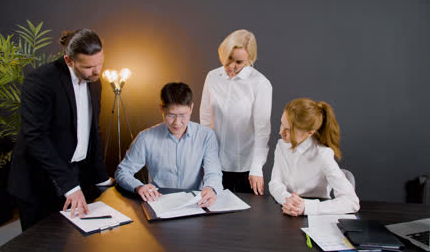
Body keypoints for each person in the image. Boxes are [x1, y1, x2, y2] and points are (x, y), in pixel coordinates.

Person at [8, 29, 113, 231]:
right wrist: (70, 186)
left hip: (73, 174)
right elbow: (36, 137)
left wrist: (101, 177)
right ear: (69, 60)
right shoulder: (40, 81)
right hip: (38, 181)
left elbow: (93, 131)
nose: (97, 72)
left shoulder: (95, 82)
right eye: (89, 67)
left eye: (100, 63)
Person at [115, 82, 223, 207]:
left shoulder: (206, 135)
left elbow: (213, 172)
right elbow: (122, 171)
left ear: (191, 108)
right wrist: (138, 186)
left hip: (194, 204)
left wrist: (211, 188)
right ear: (161, 108)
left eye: (183, 115)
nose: (177, 123)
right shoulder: (145, 138)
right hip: (159, 202)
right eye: (171, 115)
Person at [200, 29, 272, 195]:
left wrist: (256, 168)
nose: (231, 66)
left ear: (250, 60)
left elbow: (262, 131)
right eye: (229, 58)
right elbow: (205, 120)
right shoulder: (212, 77)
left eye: (239, 62)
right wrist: (204, 159)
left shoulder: (260, 83)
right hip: (214, 163)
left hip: (244, 166)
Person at [268, 98, 360, 216]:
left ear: (309, 133)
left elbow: (351, 201)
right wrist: (287, 199)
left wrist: (307, 207)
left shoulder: (323, 154)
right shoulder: (282, 145)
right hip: (287, 210)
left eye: (289, 130)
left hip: (315, 215)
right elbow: (275, 183)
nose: (281, 132)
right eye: (281, 124)